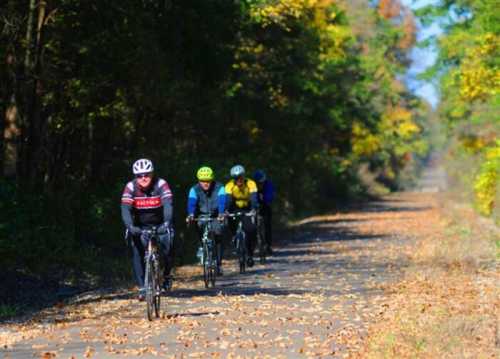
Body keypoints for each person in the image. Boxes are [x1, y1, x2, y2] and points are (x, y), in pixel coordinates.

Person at [121, 158, 174, 300]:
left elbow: (168, 205)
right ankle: (142, 287)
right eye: (139, 175)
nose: (143, 178)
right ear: (135, 177)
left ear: (152, 173)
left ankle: (167, 275)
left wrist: (167, 222)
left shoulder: (161, 184)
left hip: (160, 223)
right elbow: (125, 209)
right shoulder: (130, 187)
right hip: (140, 226)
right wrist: (130, 226)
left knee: (168, 246)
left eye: (146, 174)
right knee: (137, 252)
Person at [186, 166, 226, 275]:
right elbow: (192, 203)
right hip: (201, 215)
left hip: (216, 214)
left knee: (218, 234)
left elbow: (222, 201)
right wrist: (190, 214)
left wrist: (221, 213)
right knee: (199, 226)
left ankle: (218, 264)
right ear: (199, 181)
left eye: (208, 181)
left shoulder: (220, 187)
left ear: (212, 179)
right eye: (203, 181)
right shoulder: (194, 189)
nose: (205, 183)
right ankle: (201, 246)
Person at [225, 164, 259, 267]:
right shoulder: (229, 185)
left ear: (243, 176)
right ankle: (234, 237)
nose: (239, 180)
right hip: (234, 208)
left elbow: (253, 198)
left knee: (251, 229)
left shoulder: (251, 183)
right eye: (236, 178)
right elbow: (228, 200)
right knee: (230, 224)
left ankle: (250, 254)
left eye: (240, 177)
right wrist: (226, 210)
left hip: (247, 208)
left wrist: (253, 209)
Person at [253, 169, 275, 255]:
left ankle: (268, 245)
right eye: (259, 182)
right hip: (254, 207)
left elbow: (270, 196)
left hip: (265, 206)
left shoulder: (268, 184)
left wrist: (265, 199)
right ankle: (253, 244)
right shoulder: (252, 185)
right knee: (251, 225)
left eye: (262, 182)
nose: (260, 184)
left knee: (267, 225)